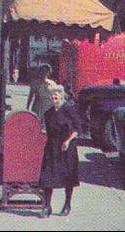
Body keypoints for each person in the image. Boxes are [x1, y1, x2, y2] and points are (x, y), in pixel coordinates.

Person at [39, 86, 81, 218]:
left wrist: (68, 141)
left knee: (68, 177)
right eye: (51, 96)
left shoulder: (69, 109)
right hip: (52, 147)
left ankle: (67, 205)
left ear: (61, 96)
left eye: (55, 95)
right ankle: (47, 206)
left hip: (67, 147)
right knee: (47, 176)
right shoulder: (48, 113)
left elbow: (77, 128)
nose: (53, 98)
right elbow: (48, 131)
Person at [27, 64, 58, 130]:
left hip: (48, 107)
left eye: (46, 72)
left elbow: (56, 95)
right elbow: (31, 96)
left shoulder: (52, 83)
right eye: (43, 71)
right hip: (38, 107)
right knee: (37, 125)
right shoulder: (35, 83)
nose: (44, 73)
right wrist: (27, 107)